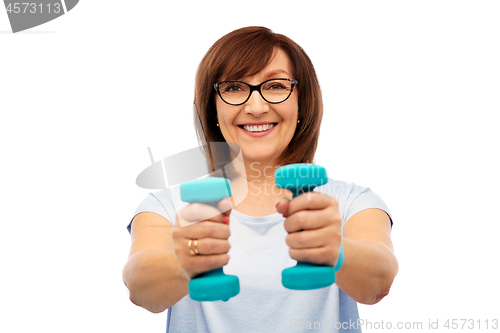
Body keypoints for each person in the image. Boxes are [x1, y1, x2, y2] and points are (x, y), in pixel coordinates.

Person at [123, 26, 398, 333]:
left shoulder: (352, 202)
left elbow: (379, 281)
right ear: (213, 107)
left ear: (301, 104)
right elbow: (140, 288)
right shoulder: (169, 204)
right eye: (234, 88)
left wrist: (336, 250)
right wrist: (181, 264)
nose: (256, 107)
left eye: (276, 86)